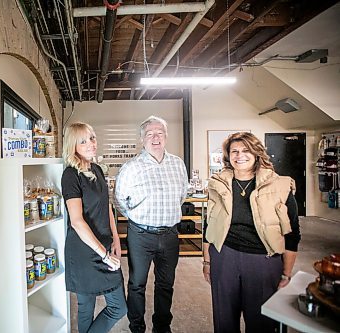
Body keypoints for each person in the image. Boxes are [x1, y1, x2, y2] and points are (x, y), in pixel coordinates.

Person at [202, 132, 301, 333]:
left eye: (246, 150)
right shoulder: (218, 184)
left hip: (263, 260)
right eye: (235, 151)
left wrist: (286, 273)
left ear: (257, 154)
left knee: (261, 323)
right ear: (228, 156)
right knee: (224, 321)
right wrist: (207, 261)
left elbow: (292, 234)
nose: (240, 155)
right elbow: (208, 226)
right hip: (224, 256)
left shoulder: (280, 185)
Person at [114, 116, 188, 333]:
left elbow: (182, 196)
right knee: (137, 284)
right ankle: (137, 327)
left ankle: (162, 327)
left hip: (170, 235)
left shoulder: (178, 164)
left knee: (166, 284)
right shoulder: (131, 167)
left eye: (159, 133)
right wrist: (137, 217)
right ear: (142, 139)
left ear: (166, 136)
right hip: (140, 235)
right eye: (150, 133)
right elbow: (119, 200)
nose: (155, 137)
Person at [61, 122, 127, 333]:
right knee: (85, 308)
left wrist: (115, 239)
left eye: (92, 138)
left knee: (118, 307)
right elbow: (77, 221)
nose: (90, 143)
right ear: (73, 145)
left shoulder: (97, 169)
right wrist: (104, 255)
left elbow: (106, 206)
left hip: (105, 244)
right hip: (83, 251)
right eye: (83, 140)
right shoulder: (70, 175)